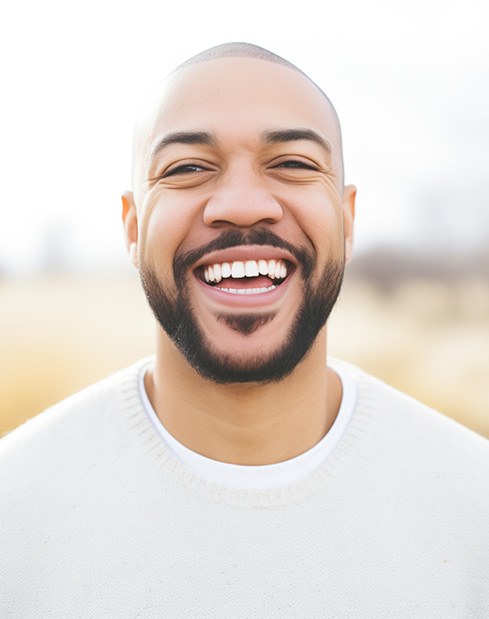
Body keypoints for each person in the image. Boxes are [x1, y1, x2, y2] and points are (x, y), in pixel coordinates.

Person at [1, 42, 488, 618]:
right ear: (132, 228)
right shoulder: (15, 508)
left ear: (347, 219)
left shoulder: (472, 504)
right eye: (187, 169)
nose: (241, 205)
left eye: (292, 164)